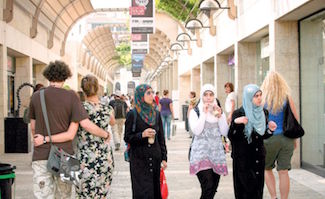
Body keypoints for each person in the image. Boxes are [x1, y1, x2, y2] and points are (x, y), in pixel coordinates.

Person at [30, 61, 110, 199]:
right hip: (65, 156)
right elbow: (71, 134)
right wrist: (105, 134)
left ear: (48, 77)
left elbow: (33, 127)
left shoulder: (37, 96)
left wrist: (43, 139)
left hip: (41, 155)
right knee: (64, 196)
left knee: (43, 195)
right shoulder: (72, 96)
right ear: (65, 77)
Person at [228, 84, 277, 199]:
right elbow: (232, 136)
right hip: (243, 160)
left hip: (258, 158)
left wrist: (270, 130)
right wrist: (236, 124)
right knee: (244, 192)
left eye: (260, 95)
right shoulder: (239, 113)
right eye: (256, 96)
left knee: (258, 191)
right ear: (249, 97)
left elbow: (261, 136)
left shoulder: (263, 112)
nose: (259, 98)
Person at [124, 84, 167, 199]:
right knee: (142, 192)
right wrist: (141, 135)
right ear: (140, 95)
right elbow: (127, 137)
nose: (151, 95)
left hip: (155, 157)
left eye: (152, 92)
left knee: (155, 191)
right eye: (148, 93)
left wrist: (164, 157)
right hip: (139, 160)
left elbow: (161, 138)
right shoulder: (132, 114)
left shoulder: (156, 114)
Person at [261, 71, 298, 199]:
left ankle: (273, 197)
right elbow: (295, 119)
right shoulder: (287, 98)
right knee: (283, 172)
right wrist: (295, 140)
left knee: (266, 168)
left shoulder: (262, 99)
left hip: (268, 139)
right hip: (286, 138)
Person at [188, 84, 229, 199]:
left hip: (216, 155)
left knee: (213, 189)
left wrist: (221, 116)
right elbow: (197, 131)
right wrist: (204, 114)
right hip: (200, 155)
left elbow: (225, 132)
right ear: (201, 96)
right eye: (205, 95)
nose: (208, 98)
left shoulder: (218, 111)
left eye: (211, 95)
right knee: (208, 186)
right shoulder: (195, 112)